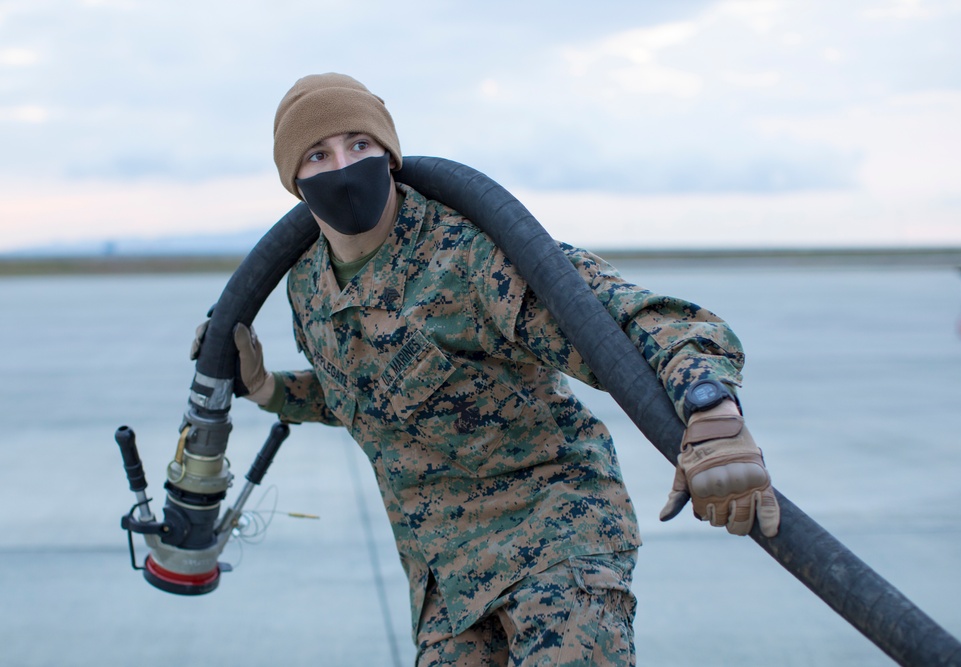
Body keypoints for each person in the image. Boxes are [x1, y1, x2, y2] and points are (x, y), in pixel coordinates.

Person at [205, 72, 780, 666]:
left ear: (390, 154)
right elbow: (367, 399)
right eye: (318, 154)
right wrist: (269, 388)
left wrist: (712, 408)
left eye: (360, 144)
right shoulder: (307, 286)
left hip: (556, 537)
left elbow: (633, 315)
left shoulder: (471, 257)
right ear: (294, 181)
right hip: (444, 575)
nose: (343, 165)